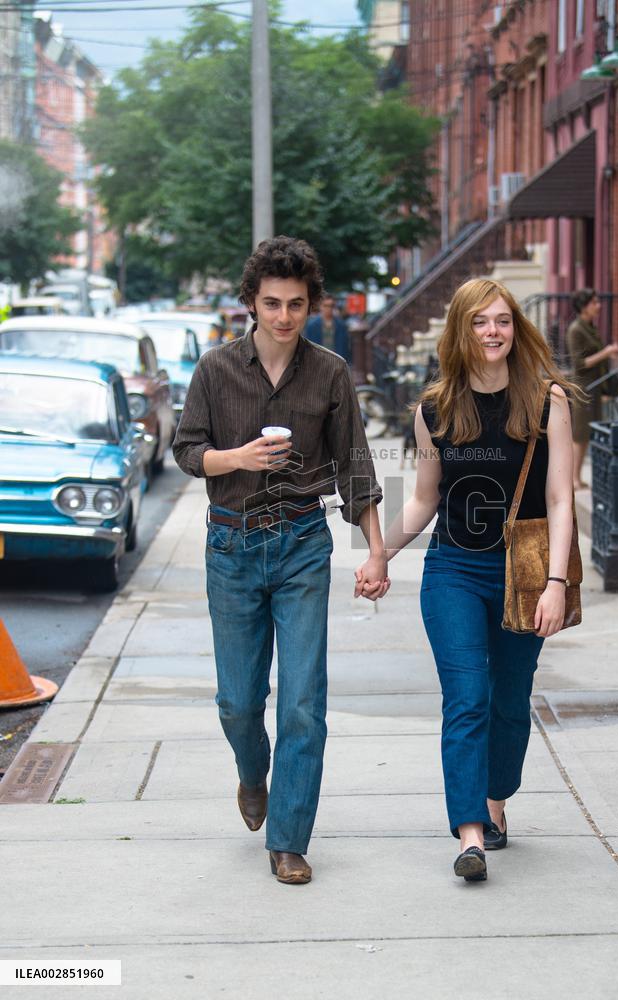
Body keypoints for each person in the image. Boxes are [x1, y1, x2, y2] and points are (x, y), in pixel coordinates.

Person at [173, 236, 388, 885]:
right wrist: (237, 458)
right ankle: (251, 771)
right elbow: (186, 451)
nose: (285, 316)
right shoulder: (216, 369)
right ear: (251, 303)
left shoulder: (328, 372)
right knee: (238, 702)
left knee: (303, 703)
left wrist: (376, 550)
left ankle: (289, 838)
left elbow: (356, 466)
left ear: (311, 304)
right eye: (273, 303)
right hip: (232, 545)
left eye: (296, 304)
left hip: (300, 542)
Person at [364, 277, 576, 883]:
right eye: (480, 322)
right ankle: (470, 835)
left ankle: (496, 800)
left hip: (526, 575)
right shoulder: (433, 409)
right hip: (453, 569)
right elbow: (425, 498)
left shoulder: (546, 401)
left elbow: (561, 499)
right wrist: (380, 555)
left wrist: (556, 582)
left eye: (503, 321)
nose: (492, 332)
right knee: (467, 699)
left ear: (515, 329)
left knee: (509, 700)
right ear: (460, 330)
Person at [566, 289, 618, 491]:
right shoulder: (575, 330)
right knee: (579, 435)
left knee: (588, 434)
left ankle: (577, 477)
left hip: (596, 387)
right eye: (594, 302)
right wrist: (606, 352)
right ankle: (573, 479)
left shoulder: (590, 328)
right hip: (583, 387)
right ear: (584, 306)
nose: (598, 305)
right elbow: (579, 363)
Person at [304, 294, 351, 362]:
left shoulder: (341, 325)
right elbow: (308, 347)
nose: (329, 308)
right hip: (318, 362)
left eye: (331, 306)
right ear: (320, 306)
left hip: (337, 363)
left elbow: (345, 348)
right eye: (325, 305)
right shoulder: (312, 325)